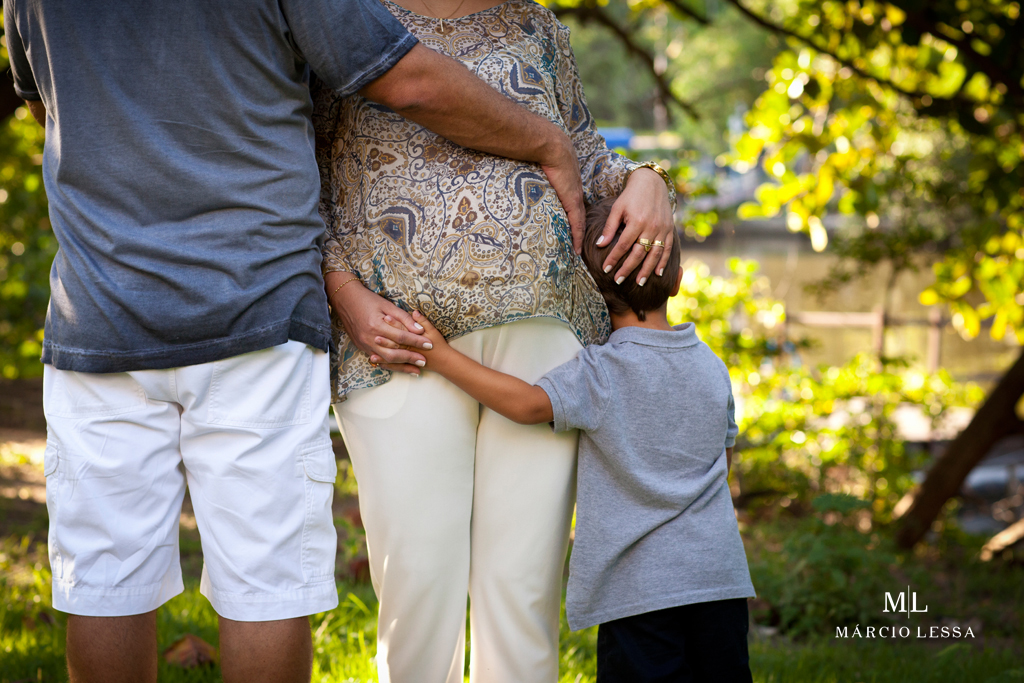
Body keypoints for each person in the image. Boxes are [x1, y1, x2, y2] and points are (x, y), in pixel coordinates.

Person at [3, 0, 598, 680]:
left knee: (106, 583)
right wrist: (547, 141)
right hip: (255, 310)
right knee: (266, 586)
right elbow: (404, 79)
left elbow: (48, 106)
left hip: (103, 309)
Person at [313, 1, 677, 680]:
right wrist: (345, 295)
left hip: (544, 336)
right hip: (399, 342)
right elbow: (305, 178)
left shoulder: (536, 27)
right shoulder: (349, 22)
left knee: (524, 587)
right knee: (417, 584)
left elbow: (586, 153)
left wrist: (650, 182)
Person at [413, 196, 757, 683]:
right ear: (678, 281)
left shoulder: (602, 372)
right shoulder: (712, 368)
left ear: (593, 293)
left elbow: (528, 403)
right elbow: (719, 458)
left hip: (639, 590)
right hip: (719, 579)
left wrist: (443, 357)